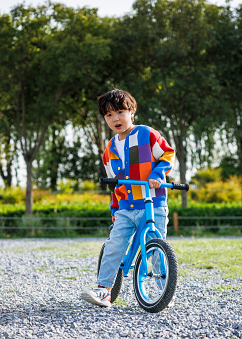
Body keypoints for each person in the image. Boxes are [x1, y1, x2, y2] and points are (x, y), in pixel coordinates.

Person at [80, 89, 175, 307]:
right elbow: (113, 185)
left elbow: (168, 154)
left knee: (156, 248)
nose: (115, 119)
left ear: (132, 111)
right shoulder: (110, 150)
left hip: (153, 203)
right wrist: (115, 210)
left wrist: (157, 174)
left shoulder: (146, 134)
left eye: (120, 112)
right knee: (114, 245)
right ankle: (104, 290)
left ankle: (164, 291)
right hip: (125, 207)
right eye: (109, 115)